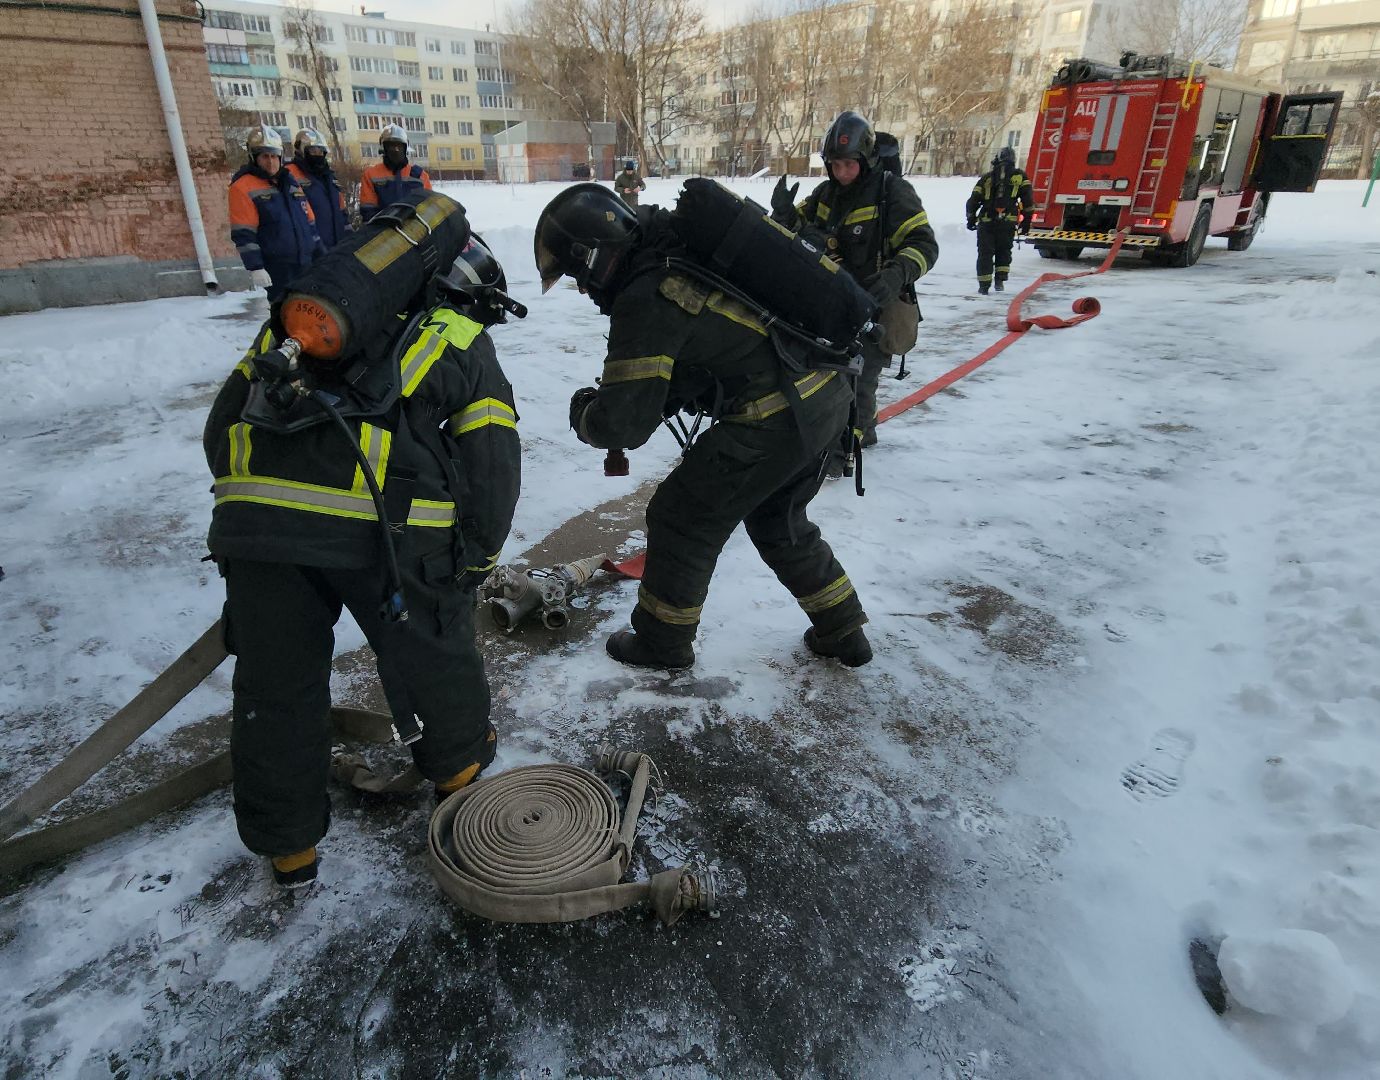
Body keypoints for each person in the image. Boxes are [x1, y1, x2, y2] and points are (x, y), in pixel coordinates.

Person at [202, 230, 521, 888]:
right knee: (433, 652)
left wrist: (257, 516)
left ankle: (289, 853)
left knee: (275, 688)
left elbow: (220, 428)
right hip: (385, 533)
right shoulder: (456, 337)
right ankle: (459, 778)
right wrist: (475, 558)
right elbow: (491, 464)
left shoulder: (297, 329)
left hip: (257, 527)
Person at [534, 183, 872, 671]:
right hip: (825, 396)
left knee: (681, 518)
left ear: (591, 256)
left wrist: (584, 412)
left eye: (577, 276)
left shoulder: (645, 293)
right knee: (779, 520)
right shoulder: (676, 250)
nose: (584, 290)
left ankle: (661, 642)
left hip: (774, 413)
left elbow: (621, 425)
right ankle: (843, 629)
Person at [770, 111, 938, 453]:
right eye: (835, 165)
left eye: (849, 164)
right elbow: (795, 234)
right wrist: (784, 213)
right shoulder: (824, 195)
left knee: (858, 381)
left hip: (875, 305)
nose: (842, 173)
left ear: (867, 159)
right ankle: (846, 434)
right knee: (824, 376)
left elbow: (924, 244)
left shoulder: (893, 193)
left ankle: (850, 444)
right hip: (831, 303)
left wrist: (897, 274)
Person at [229, 125, 325, 301]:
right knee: (284, 316)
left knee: (309, 311)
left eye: (274, 156)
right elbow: (244, 233)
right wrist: (255, 266)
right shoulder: (243, 187)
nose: (271, 161)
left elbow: (308, 221)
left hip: (305, 261)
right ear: (254, 157)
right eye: (265, 156)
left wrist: (320, 253)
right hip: (278, 266)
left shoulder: (289, 182)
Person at [965, 146, 1033, 294]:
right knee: (1004, 250)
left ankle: (983, 286)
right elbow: (1028, 202)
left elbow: (973, 201)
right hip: (1008, 222)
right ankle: (1000, 281)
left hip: (987, 222)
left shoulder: (987, 178)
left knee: (985, 253)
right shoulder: (1020, 176)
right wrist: (1026, 223)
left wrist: (971, 218)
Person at [286, 128, 351, 251]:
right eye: (313, 150)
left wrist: (349, 235)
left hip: (337, 244)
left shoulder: (329, 176)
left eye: (320, 151)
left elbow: (341, 209)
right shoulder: (290, 174)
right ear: (301, 150)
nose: (317, 154)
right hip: (309, 247)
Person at [360, 123, 432, 223]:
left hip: (415, 232)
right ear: (384, 148)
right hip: (383, 231)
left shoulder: (420, 175)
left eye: (399, 146)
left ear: (406, 148)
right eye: (391, 146)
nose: (395, 150)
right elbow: (368, 211)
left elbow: (429, 208)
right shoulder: (371, 174)